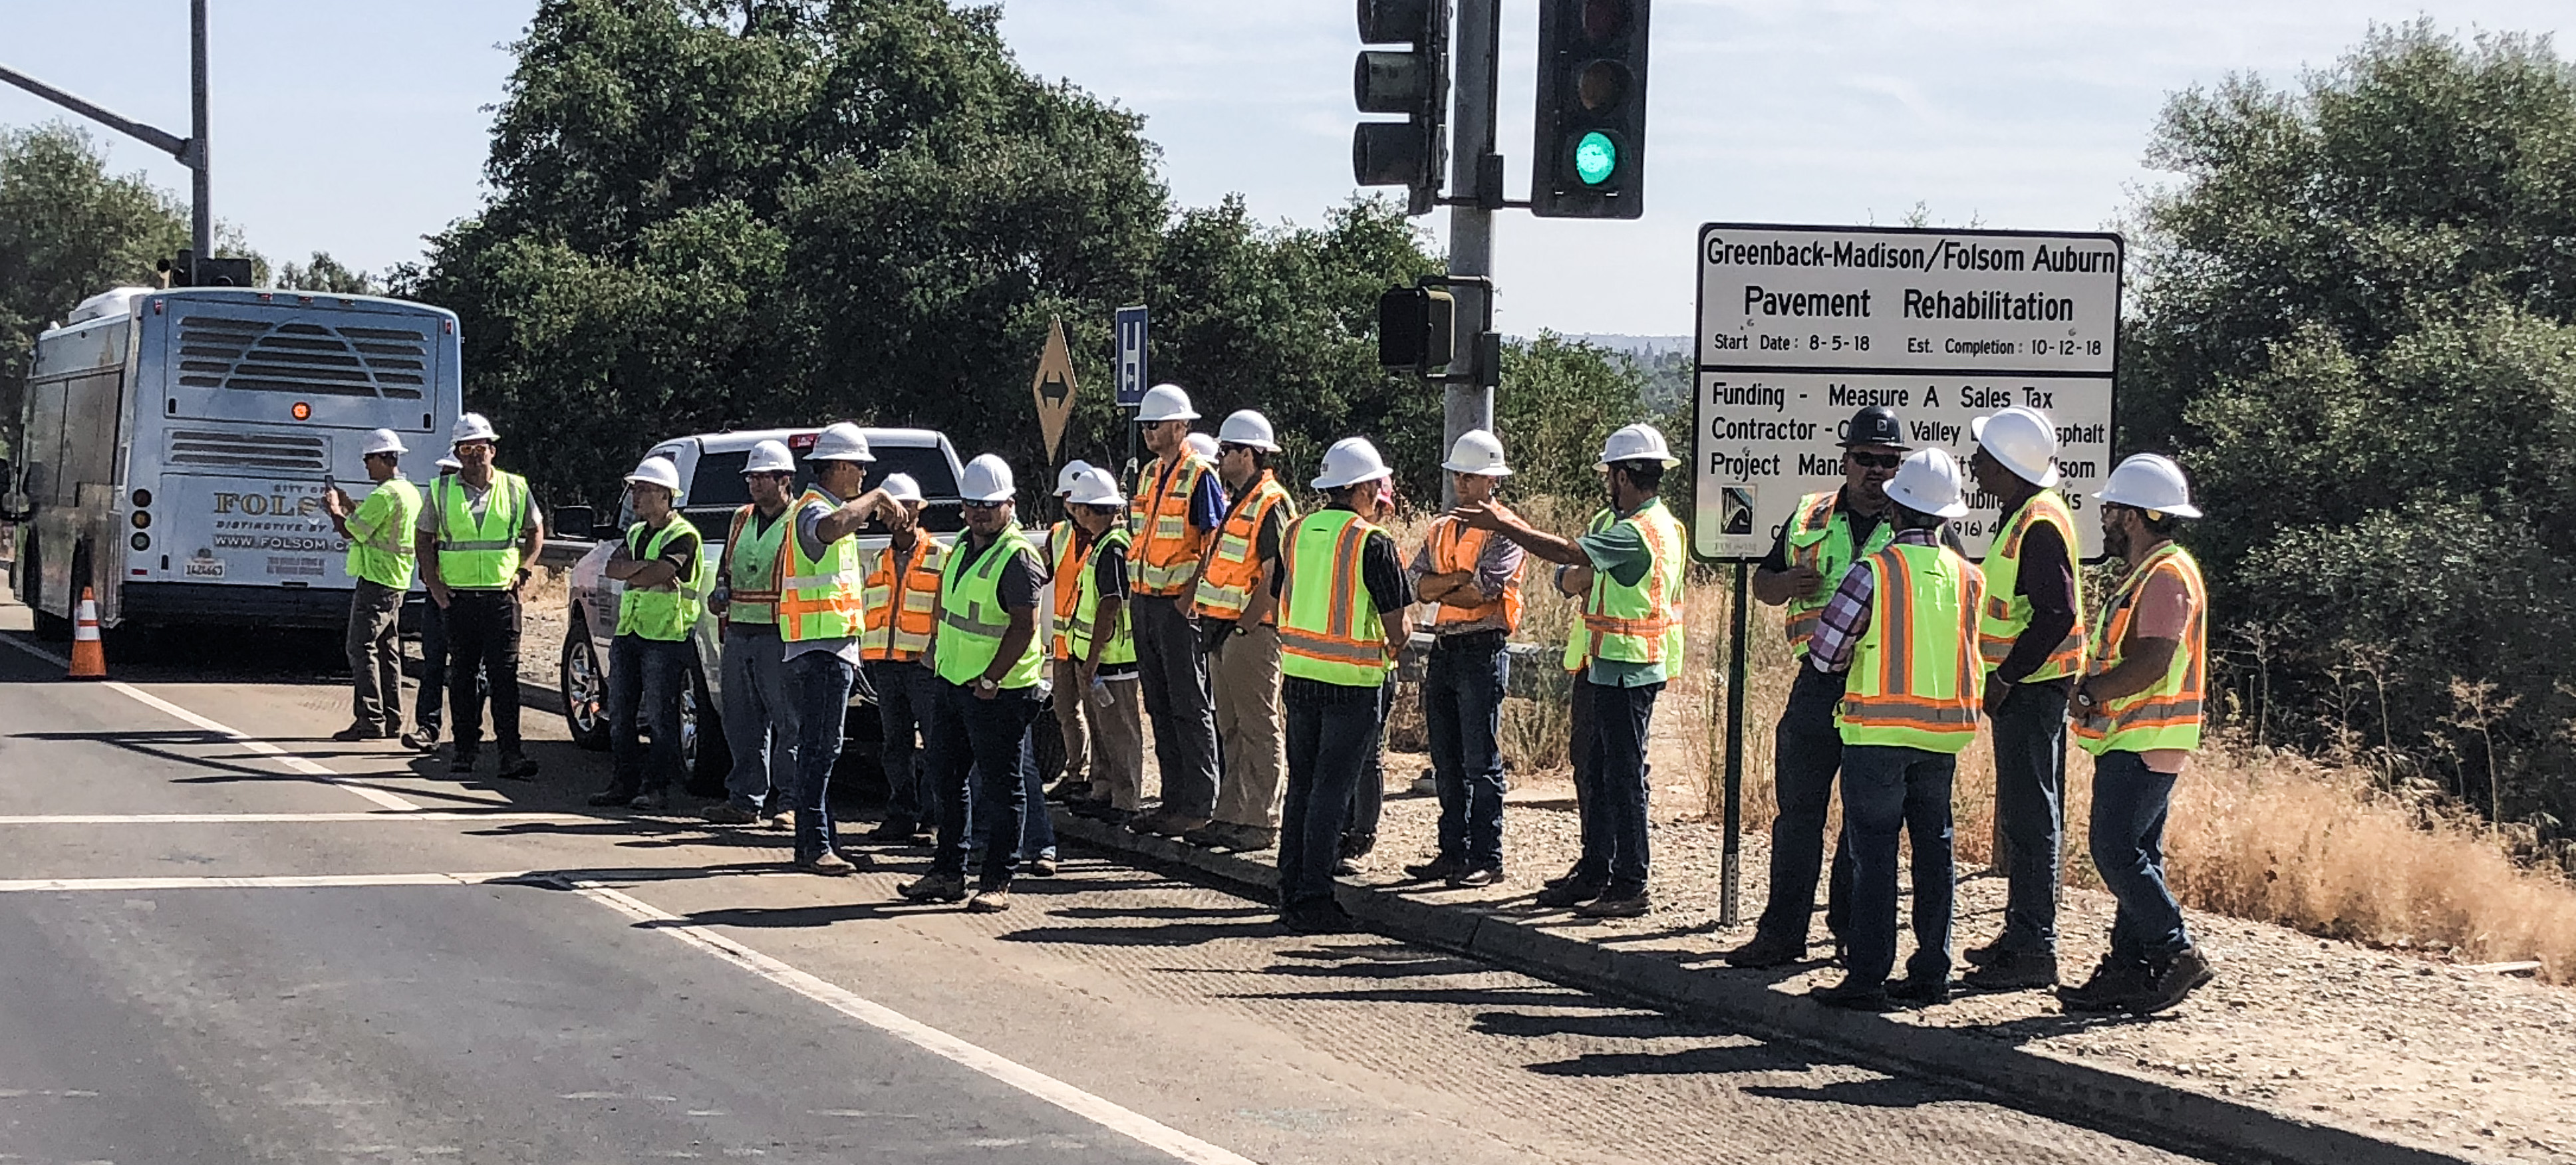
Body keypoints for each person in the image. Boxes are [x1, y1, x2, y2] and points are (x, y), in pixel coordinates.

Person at [1459, 424, 1687, 919]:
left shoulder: (1637, 531)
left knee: (1621, 777)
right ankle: (1597, 870)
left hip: (1627, 668)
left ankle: (1628, 882)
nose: (1607, 480)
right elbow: (1572, 576)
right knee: (1597, 771)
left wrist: (1503, 524)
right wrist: (1576, 574)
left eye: (1610, 472)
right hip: (1606, 664)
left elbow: (1568, 557)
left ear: (1624, 475)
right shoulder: (1642, 522)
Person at [1726, 406, 1910, 968]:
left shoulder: (1915, 522)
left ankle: (1849, 930)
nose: (1876, 471)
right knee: (1798, 814)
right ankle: (1781, 934)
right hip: (1815, 682)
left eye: (1887, 462)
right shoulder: (1810, 514)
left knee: (1864, 817)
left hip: (1877, 689)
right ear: (1846, 459)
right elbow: (1762, 583)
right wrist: (1783, 582)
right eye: (1865, 459)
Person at [1804, 448, 1986, 1011]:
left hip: (1877, 736)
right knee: (1935, 852)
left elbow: (1826, 653)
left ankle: (1867, 974)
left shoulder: (1874, 571)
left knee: (1874, 855)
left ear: (1896, 508)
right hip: (1942, 738)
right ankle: (1932, 970)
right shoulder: (1969, 577)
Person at [2063, 453, 2216, 1016]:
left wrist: (2092, 691)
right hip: (2142, 737)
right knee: (2137, 853)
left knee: (2113, 849)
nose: (2103, 516)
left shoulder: (2165, 575)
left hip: (2144, 736)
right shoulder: (2154, 573)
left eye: (2110, 508)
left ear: (2131, 516)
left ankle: (2175, 950)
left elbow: (2153, 660)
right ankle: (2129, 970)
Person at [1961, 406, 2088, 991]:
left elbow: (2056, 613)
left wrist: (2008, 675)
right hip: (2028, 688)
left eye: (1985, 457)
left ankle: (2034, 947)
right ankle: (2020, 937)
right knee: (2025, 813)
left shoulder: (2036, 521)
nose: (1976, 466)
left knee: (2032, 817)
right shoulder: (2026, 516)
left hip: (2032, 690)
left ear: (2010, 465)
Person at [897, 454, 1048, 912]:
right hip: (954, 683)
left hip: (997, 692)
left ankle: (998, 881)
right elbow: (950, 608)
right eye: (971, 504)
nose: (979, 512)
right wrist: (934, 652)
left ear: (1010, 505)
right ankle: (947, 872)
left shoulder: (1018, 557)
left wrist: (991, 677)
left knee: (1002, 790)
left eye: (989, 504)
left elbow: (1024, 626)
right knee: (946, 778)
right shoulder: (963, 545)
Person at [1272, 438, 1410, 934]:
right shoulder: (1370, 541)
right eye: (1376, 484)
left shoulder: (1295, 532)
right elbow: (1400, 625)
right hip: (1352, 683)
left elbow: (1277, 600)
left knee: (1303, 787)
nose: (1380, 493)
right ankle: (1313, 897)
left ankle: (1290, 886)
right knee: (1332, 791)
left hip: (1299, 675)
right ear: (1357, 488)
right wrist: (1388, 651)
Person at [1402, 430, 1526, 887]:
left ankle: (1486, 857)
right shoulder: (1441, 528)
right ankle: (1452, 853)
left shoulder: (1506, 530)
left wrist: (1445, 582)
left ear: (1492, 480)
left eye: (1471, 477)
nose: (1462, 484)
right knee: (1447, 761)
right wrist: (1454, 578)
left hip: (1480, 650)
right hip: (1445, 648)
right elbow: (1416, 585)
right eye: (1459, 475)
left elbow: (1481, 593)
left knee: (1480, 762)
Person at [779, 422, 897, 874]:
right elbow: (826, 531)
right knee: (820, 750)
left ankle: (822, 840)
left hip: (829, 647)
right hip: (819, 652)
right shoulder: (814, 508)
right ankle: (814, 846)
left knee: (821, 749)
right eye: (860, 469)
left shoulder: (824, 507)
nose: (864, 477)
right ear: (840, 465)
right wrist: (875, 500)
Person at [1187, 410, 1295, 852]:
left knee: (1258, 727)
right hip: (1224, 631)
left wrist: (1248, 626)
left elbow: (1276, 574)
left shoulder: (1270, 501)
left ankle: (1263, 820)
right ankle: (1231, 813)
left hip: (1249, 633)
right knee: (1229, 727)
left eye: (1227, 451)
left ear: (1248, 454)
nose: (1220, 458)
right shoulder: (1240, 499)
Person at [1123, 384, 1228, 839]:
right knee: (1160, 706)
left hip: (1175, 607)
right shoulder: (1148, 474)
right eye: (1145, 423)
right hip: (1146, 601)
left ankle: (1198, 803)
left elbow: (1213, 541)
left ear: (1182, 426)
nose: (1148, 430)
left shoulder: (1199, 473)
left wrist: (1189, 597)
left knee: (1189, 704)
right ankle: (1172, 801)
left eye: (1156, 423)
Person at [414, 412, 543, 781]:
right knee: (463, 677)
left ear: (493, 450)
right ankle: (465, 750)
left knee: (505, 678)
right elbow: (423, 537)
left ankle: (510, 753)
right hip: (457, 599)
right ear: (457, 453)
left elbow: (536, 530)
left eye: (480, 448)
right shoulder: (440, 491)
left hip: (501, 598)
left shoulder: (516, 487)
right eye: (466, 449)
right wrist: (433, 583)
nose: (473, 455)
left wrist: (524, 571)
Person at [589, 456, 705, 811]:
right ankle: (623, 784)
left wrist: (635, 572)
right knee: (620, 712)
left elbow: (659, 573)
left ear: (666, 495)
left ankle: (656, 787)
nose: (635, 497)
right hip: (631, 632)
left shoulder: (683, 535)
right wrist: (641, 570)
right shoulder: (637, 532)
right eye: (635, 489)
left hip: (666, 637)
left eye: (643, 490)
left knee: (659, 716)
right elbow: (614, 568)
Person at [702, 440, 802, 827]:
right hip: (740, 629)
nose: (754, 484)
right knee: (741, 721)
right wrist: (719, 590)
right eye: (751, 477)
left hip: (780, 633)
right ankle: (744, 799)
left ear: (785, 479)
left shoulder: (799, 521)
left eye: (763, 477)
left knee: (788, 722)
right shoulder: (741, 518)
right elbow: (728, 566)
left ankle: (791, 801)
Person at [1055, 467, 1147, 825]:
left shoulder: (1112, 548)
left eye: (1081, 507)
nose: (1076, 513)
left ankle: (1125, 801)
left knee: (1120, 734)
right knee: (1104, 731)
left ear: (1095, 510)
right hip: (1098, 659)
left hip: (1112, 661)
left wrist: (1091, 659)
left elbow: (1109, 605)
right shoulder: (1102, 545)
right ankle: (1106, 793)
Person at [323, 428, 422, 743]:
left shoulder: (384, 495)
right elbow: (370, 526)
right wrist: (352, 508)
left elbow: (350, 533)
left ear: (384, 458)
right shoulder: (407, 491)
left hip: (377, 580)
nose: (366, 465)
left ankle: (369, 719)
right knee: (386, 649)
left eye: (368, 459)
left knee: (360, 647)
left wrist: (335, 510)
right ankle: (391, 719)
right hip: (397, 579)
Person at [402, 455, 466, 753]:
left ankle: (467, 734)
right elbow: (423, 543)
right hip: (437, 595)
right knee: (433, 665)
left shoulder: (473, 511)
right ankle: (428, 728)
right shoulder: (437, 503)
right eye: (442, 471)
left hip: (472, 597)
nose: (444, 477)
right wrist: (433, 583)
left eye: (450, 472)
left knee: (470, 670)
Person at [1042, 459, 1096, 804]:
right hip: (1064, 642)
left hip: (1094, 645)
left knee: (1098, 715)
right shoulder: (1057, 534)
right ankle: (1076, 772)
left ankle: (1096, 777)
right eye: (1068, 499)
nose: (1073, 506)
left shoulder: (1109, 540)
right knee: (1066, 710)